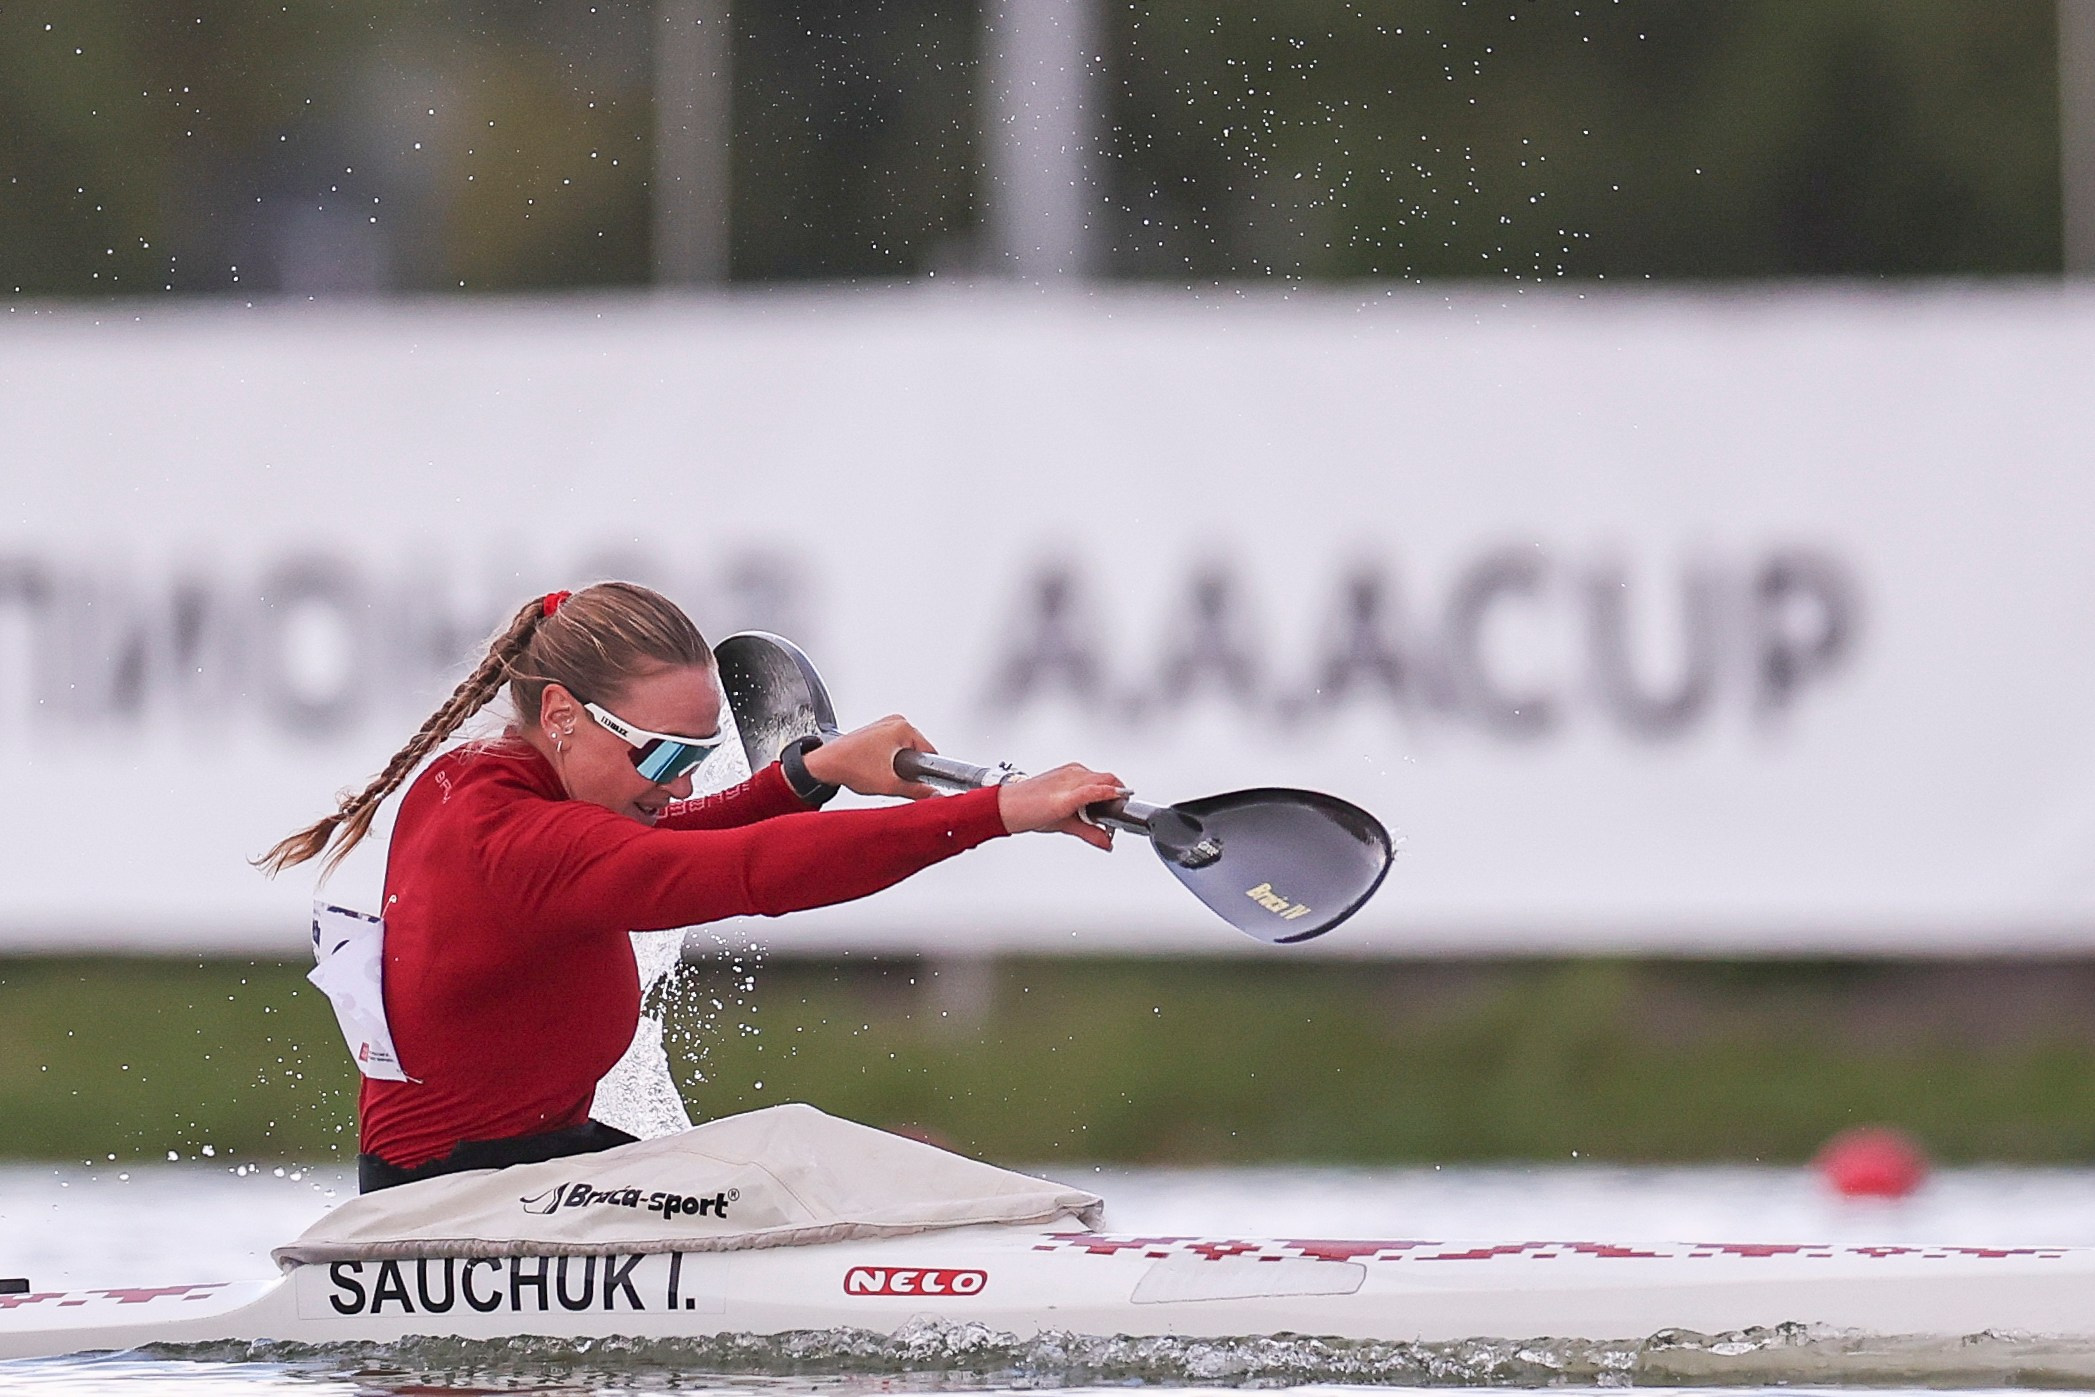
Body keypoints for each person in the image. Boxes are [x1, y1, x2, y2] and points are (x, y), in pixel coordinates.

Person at [260, 581, 1125, 1193]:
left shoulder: (479, 779)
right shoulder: (515, 839)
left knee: (830, 1162)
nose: (679, 783)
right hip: (457, 1210)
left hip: (522, 1175)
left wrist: (804, 773)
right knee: (805, 1155)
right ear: (562, 715)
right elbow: (747, 873)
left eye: (699, 756)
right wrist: (997, 810)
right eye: (664, 754)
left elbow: (661, 839)